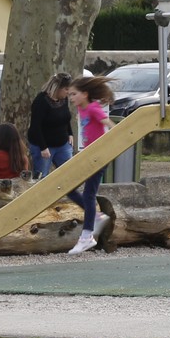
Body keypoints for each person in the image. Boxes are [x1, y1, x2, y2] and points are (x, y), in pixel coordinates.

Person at [67, 75, 115, 255]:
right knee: (68, 187)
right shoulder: (81, 109)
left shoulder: (94, 108)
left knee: (88, 194)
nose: (71, 98)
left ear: (85, 94)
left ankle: (87, 237)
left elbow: (108, 123)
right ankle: (96, 216)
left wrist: (118, 135)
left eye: (74, 94)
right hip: (88, 156)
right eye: (70, 94)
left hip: (99, 157)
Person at [28, 72, 76, 178]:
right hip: (44, 145)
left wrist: (70, 133)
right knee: (42, 176)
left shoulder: (63, 99)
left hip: (63, 144)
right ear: (58, 88)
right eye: (66, 89)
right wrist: (43, 147)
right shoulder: (40, 101)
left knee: (69, 174)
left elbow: (65, 117)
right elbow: (35, 127)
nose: (68, 92)